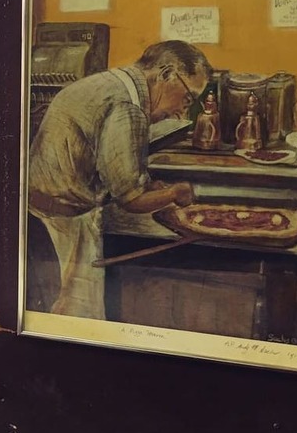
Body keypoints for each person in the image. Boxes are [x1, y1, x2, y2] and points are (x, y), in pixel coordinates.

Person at [28, 40, 212, 320]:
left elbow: (106, 164)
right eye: (188, 98)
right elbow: (131, 199)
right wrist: (176, 192)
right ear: (166, 74)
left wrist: (148, 186)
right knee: (78, 318)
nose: (182, 112)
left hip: (40, 215)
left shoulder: (109, 83)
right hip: (63, 224)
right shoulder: (128, 107)